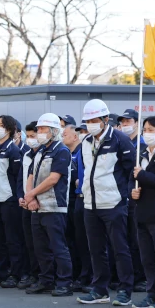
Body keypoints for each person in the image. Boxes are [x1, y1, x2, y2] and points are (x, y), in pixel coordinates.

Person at [77, 99, 136, 306]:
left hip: (113, 203)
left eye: (94, 120)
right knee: (96, 249)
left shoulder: (120, 140)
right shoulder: (86, 141)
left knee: (120, 248)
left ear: (105, 119)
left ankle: (125, 289)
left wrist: (124, 195)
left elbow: (131, 171)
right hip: (90, 203)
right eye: (88, 121)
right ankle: (100, 289)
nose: (90, 124)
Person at [21, 113, 73, 296]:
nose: (39, 132)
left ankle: (65, 282)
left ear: (54, 131)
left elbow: (53, 179)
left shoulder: (61, 151)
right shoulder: (40, 151)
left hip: (54, 206)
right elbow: (30, 176)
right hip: (37, 207)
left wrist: (31, 195)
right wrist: (31, 198)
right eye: (39, 129)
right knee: (40, 247)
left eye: (43, 129)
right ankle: (46, 280)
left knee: (58, 246)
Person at [131, 116, 155, 308]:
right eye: (145, 129)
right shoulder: (141, 154)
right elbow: (133, 180)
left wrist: (143, 176)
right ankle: (152, 293)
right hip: (143, 213)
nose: (147, 133)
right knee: (147, 259)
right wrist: (133, 192)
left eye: (151, 130)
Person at [0, 115, 25, 288]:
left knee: (12, 239)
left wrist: (16, 196)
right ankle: (0, 273)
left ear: (9, 128)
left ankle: (15, 274)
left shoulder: (13, 150)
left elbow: (17, 176)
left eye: (1, 125)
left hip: (9, 200)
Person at [118, 108, 147, 293]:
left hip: (139, 198)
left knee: (138, 241)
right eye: (123, 122)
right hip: (122, 196)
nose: (125, 125)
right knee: (126, 240)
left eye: (128, 121)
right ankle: (128, 277)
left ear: (137, 123)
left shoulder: (142, 145)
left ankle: (141, 278)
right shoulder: (121, 142)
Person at [64, 124, 91, 291]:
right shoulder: (67, 153)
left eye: (65, 134)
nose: (62, 137)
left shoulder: (84, 151)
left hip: (83, 199)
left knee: (85, 241)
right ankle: (77, 274)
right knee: (74, 240)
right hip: (71, 200)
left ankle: (87, 277)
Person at [16, 122, 41, 289]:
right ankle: (32, 273)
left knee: (40, 243)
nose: (30, 139)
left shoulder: (45, 153)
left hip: (39, 203)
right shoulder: (26, 154)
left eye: (33, 136)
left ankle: (43, 275)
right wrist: (21, 196)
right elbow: (21, 178)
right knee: (28, 242)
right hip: (25, 202)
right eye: (29, 136)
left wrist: (33, 197)